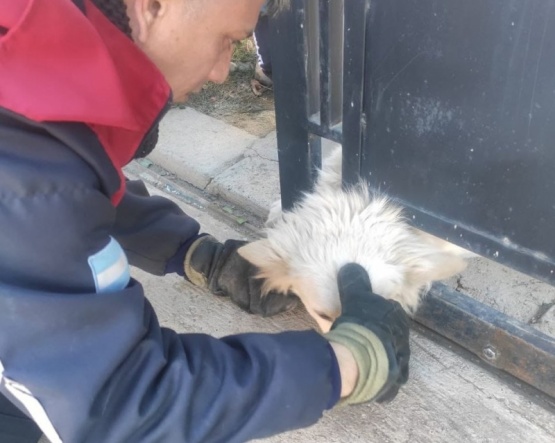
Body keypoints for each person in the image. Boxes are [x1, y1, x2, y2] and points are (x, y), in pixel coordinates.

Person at [0, 1, 411, 442]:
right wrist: (346, 363)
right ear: (152, 6)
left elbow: (68, 194)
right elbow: (120, 403)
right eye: (227, 41)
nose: (220, 72)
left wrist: (195, 253)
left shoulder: (31, 83)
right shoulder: (22, 164)